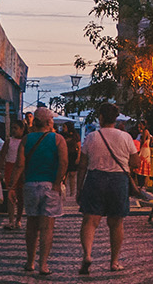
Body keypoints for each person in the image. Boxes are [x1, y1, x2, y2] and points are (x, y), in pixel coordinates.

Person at [79, 103, 139, 274]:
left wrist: (78, 189)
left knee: (90, 221)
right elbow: (135, 163)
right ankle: (114, 262)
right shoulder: (125, 137)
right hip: (118, 180)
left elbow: (82, 165)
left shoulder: (91, 137)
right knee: (116, 223)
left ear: (101, 118)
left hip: (95, 178)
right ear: (116, 118)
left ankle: (88, 255)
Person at [16, 107, 68, 273]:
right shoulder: (58, 139)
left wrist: (11, 186)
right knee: (47, 227)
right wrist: (57, 183)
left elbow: (19, 164)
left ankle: (29, 262)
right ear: (48, 122)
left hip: (31, 185)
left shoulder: (26, 140)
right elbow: (64, 163)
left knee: (31, 225)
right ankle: (43, 264)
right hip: (50, 186)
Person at [0, 124, 26, 228]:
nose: (13, 130)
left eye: (16, 128)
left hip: (22, 168)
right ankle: (11, 220)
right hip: (10, 167)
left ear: (22, 129)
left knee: (21, 196)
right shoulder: (9, 141)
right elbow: (2, 155)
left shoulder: (25, 141)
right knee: (10, 193)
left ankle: (18, 219)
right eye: (13, 128)